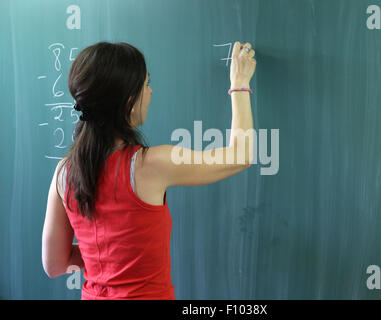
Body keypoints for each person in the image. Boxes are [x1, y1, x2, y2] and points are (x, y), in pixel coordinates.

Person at [41, 41, 256, 300]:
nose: (151, 92)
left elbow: (54, 265)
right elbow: (240, 156)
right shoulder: (150, 164)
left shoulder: (64, 173)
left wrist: (105, 259)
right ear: (129, 103)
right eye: (146, 84)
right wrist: (240, 84)